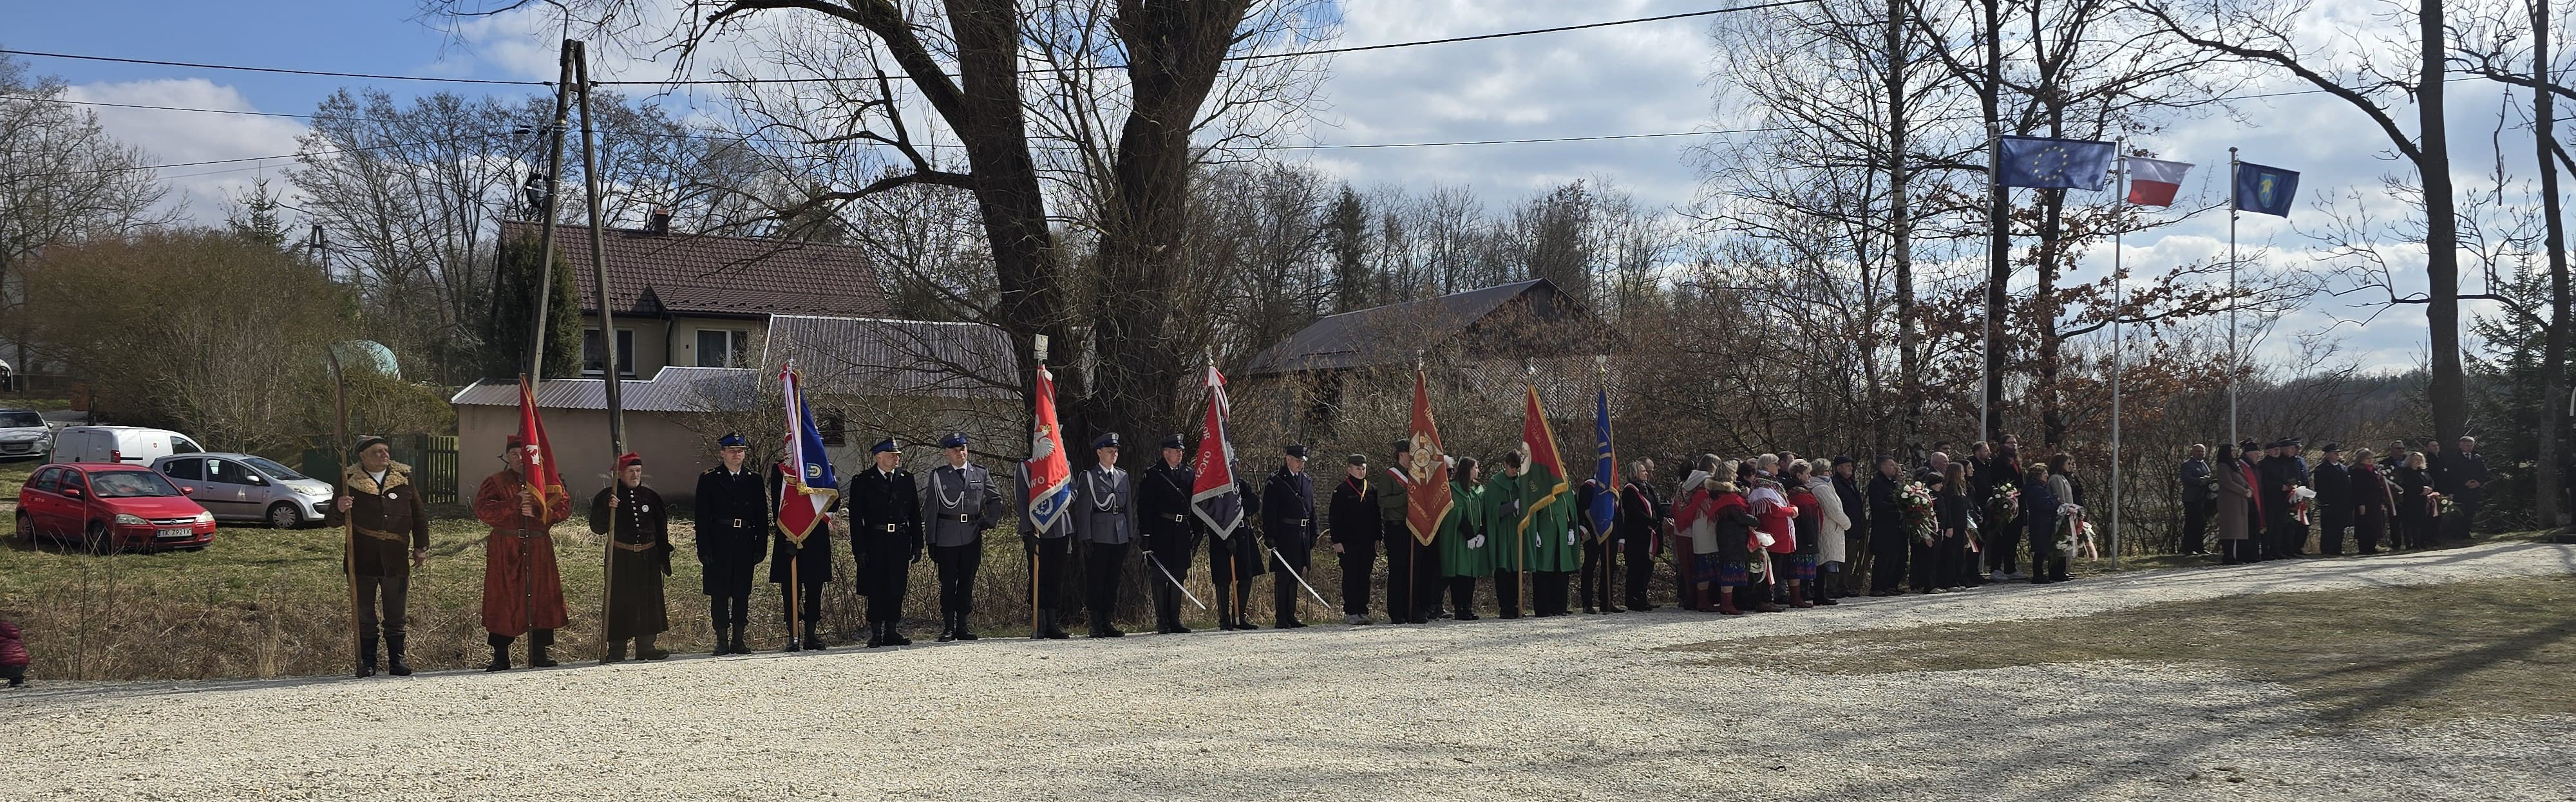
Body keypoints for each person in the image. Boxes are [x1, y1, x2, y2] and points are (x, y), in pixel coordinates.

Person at [329, 435, 430, 678]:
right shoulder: (348, 480)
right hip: (363, 556)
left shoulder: (403, 478)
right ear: (363, 457)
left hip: (396, 557)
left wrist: (421, 546)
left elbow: (418, 514)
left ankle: (397, 661)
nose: (385, 455)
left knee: (396, 614)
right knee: (365, 614)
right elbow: (331, 520)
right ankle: (369, 661)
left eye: (386, 451)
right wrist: (340, 508)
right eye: (377, 452)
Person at [474, 436, 572, 671]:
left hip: (538, 546)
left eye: (523, 454)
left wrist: (538, 511)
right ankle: (500, 656)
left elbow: (563, 508)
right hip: (506, 548)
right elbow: (483, 511)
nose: (519, 459)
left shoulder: (548, 481)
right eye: (514, 455)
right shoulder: (495, 482)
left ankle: (540, 652)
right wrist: (513, 504)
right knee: (503, 598)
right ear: (507, 457)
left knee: (541, 595)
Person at [590, 452, 674, 662]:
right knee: (619, 601)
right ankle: (617, 649)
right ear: (620, 473)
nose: (636, 475)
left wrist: (663, 557)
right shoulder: (607, 496)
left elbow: (661, 529)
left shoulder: (651, 497)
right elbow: (597, 528)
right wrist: (607, 509)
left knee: (647, 601)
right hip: (621, 556)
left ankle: (646, 647)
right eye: (631, 471)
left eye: (638, 471)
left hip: (647, 557)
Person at [921, 433, 1003, 642]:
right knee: (948, 582)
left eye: (963, 449)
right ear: (946, 453)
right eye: (955, 450)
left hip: (972, 533)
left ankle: (963, 626)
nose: (961, 453)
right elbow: (931, 509)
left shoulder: (980, 473)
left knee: (967, 581)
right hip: (946, 535)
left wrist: (990, 520)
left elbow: (995, 498)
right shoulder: (939, 476)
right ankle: (948, 626)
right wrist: (931, 540)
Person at [693, 433, 769, 655]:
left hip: (744, 541)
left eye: (741, 451)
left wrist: (760, 546)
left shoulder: (753, 479)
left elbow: (762, 517)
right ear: (722, 453)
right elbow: (701, 517)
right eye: (732, 451)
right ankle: (722, 640)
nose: (737, 455)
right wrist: (704, 548)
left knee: (741, 592)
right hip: (719, 541)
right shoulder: (709, 479)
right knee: (719, 593)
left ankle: (738, 639)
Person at [849, 439, 923, 647]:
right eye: (892, 455)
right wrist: (859, 549)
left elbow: (915, 513)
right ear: (879, 457)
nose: (896, 458)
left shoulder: (906, 479)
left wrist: (918, 543)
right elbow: (856, 519)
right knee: (876, 587)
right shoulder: (863, 480)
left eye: (898, 455)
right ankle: (876, 633)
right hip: (875, 539)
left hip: (899, 539)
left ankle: (892, 630)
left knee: (896, 586)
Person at [768, 458, 837, 652]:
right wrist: (787, 533)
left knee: (815, 588)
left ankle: (811, 634)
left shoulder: (825, 466)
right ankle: (793, 634)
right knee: (790, 589)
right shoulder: (781, 469)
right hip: (789, 535)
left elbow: (834, 500)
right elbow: (777, 504)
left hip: (816, 536)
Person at [1072, 433, 1136, 638]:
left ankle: (1108, 621)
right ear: (1099, 453)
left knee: (1113, 580)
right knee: (1097, 580)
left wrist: (1130, 534)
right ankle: (1095, 622)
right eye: (1110, 451)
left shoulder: (1122, 476)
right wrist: (1085, 536)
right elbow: (1084, 509)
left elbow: (1127, 508)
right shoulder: (1090, 477)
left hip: (1119, 534)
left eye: (1116, 451)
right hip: (1099, 534)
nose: (1114, 454)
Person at [1137, 434, 1202, 634]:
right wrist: (1146, 536)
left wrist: (1197, 532)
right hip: (1161, 530)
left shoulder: (1188, 474)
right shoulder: (1153, 474)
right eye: (1177, 451)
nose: (1181, 454)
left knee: (1178, 574)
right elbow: (1144, 507)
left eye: (1182, 451)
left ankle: (1174, 619)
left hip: (1182, 530)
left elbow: (1195, 504)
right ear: (1166, 453)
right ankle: (1162, 620)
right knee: (1160, 576)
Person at [1015, 454, 1077, 641]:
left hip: (1061, 526)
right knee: (1038, 576)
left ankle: (1052, 622)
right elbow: (1022, 499)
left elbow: (1073, 490)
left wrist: (1060, 499)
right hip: (1038, 528)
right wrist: (1028, 531)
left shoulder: (1064, 464)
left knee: (1055, 576)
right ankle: (1039, 622)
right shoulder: (1026, 467)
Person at [1374, 440, 1432, 624]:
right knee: (1399, 571)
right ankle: (1397, 611)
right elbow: (1383, 502)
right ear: (1402, 454)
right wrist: (1406, 497)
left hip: (1415, 528)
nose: (1413, 457)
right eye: (1410, 453)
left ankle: (1413, 609)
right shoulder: (1389, 476)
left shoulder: (1416, 476)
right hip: (1397, 528)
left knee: (1415, 571)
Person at [1262, 443, 1319, 629]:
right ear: (1288, 459)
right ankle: (1281, 617)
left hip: (1302, 534)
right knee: (1283, 576)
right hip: (1284, 534)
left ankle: (1291, 614)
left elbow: (1312, 509)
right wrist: (1270, 535)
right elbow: (1269, 511)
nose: (1300, 465)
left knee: (1296, 575)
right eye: (1297, 461)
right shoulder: (1277, 481)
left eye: (1302, 462)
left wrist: (1314, 531)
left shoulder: (1306, 481)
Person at [1205, 467, 1267, 633]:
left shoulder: (1241, 484)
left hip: (1242, 534)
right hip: (1221, 537)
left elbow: (1254, 503)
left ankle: (1239, 617)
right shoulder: (1213, 487)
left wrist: (1237, 508)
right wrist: (1225, 536)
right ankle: (1224, 619)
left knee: (1246, 576)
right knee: (1223, 579)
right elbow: (1209, 513)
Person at [1328, 454, 1381, 625]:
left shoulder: (1371, 489)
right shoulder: (1341, 491)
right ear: (1349, 469)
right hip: (1348, 542)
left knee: (1365, 576)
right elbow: (1334, 518)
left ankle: (1363, 610)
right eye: (1358, 468)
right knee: (1351, 576)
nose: (1361, 471)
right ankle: (1351, 611)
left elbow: (1376, 516)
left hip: (1367, 542)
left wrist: (1378, 538)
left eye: (1364, 468)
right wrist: (1336, 541)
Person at [1437, 456, 1492, 620]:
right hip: (1460, 537)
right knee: (1460, 572)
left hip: (1476, 537)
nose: (1478, 471)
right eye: (1476, 468)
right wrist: (1469, 534)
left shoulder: (1479, 489)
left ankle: (1468, 606)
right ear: (1468, 469)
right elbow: (1455, 512)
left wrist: (1482, 533)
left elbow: (1486, 512)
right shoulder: (1453, 488)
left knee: (1471, 573)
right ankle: (1460, 607)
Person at [1711, 471, 1769, 614]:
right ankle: (1726, 603)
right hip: (1732, 538)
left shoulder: (1725, 496)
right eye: (1733, 474)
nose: (1737, 476)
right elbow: (1740, 516)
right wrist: (1755, 521)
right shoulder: (1729, 498)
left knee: (1732, 569)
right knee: (1730, 571)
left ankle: (1730, 602)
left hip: (1732, 536)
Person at [1611, 459, 1665, 612]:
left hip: (1651, 534)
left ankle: (1642, 596)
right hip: (1637, 536)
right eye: (1643, 471)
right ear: (1635, 472)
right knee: (1637, 568)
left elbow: (1656, 506)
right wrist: (1650, 521)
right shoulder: (1630, 490)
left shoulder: (1648, 488)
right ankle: (1633, 599)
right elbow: (1634, 512)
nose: (1647, 473)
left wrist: (1661, 517)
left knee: (1647, 568)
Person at [1670, 457, 1721, 610]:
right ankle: (1702, 600)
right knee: (1700, 565)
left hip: (1682, 529)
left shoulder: (1684, 484)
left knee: (1687, 567)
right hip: (1699, 527)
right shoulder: (1707, 482)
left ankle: (1689, 599)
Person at [1485, 450, 1530, 619]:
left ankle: (1517, 605)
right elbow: (1492, 510)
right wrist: (1512, 506)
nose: (1514, 471)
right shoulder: (1495, 483)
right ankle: (1505, 607)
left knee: (1517, 569)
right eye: (1512, 467)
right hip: (1503, 531)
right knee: (1504, 569)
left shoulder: (1521, 482)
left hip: (1517, 530)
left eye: (1517, 468)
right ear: (1505, 464)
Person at [1807, 460, 1850, 604]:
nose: (1830, 474)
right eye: (1827, 471)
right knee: (1823, 562)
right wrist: (1847, 523)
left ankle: (1820, 593)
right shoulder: (1821, 488)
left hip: (1827, 527)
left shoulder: (1823, 486)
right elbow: (1833, 510)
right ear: (1819, 472)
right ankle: (1820, 594)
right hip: (1828, 528)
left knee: (1823, 561)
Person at [1867, 455, 1909, 595]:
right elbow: (1878, 504)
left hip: (1895, 526)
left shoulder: (1893, 483)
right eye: (1891, 465)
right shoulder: (1877, 483)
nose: (1895, 468)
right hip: (1883, 526)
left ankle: (1890, 585)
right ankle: (1877, 587)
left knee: (1895, 557)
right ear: (1883, 467)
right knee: (1883, 557)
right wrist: (1898, 507)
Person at [1931, 463, 1973, 592]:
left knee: (1959, 555)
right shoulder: (1949, 489)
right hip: (1953, 526)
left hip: (1961, 526)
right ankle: (1948, 581)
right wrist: (1949, 526)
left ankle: (1956, 578)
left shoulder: (1960, 489)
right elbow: (1948, 509)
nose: (1964, 474)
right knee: (1951, 554)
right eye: (1961, 472)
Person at [2021, 463, 2061, 584]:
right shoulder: (2036, 489)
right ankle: (2038, 575)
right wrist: (2056, 503)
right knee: (2040, 549)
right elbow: (2044, 504)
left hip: (2043, 521)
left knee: (2043, 548)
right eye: (2044, 474)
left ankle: (2042, 574)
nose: (2047, 476)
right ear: (2037, 475)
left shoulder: (2039, 488)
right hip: (2040, 522)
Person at [2215, 444, 2255, 564]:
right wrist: (2244, 491)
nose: (2235, 452)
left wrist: (2249, 489)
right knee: (2229, 529)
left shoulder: (2235, 465)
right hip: (2229, 503)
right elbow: (2228, 483)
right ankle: (2228, 556)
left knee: (2238, 529)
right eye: (2232, 451)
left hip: (2240, 501)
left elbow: (2242, 480)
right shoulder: (2223, 466)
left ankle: (2236, 556)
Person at [2312, 443, 2353, 556]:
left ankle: (2337, 548)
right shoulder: (2322, 469)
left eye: (2338, 452)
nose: (2338, 455)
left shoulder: (2343, 468)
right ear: (2328, 455)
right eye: (2335, 453)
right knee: (2329, 527)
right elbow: (2321, 488)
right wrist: (2324, 503)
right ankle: (2327, 549)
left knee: (2340, 527)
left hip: (2342, 503)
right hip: (2330, 503)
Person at [2351, 447, 2391, 554]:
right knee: (2364, 524)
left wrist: (2382, 502)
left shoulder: (2374, 470)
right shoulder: (2357, 471)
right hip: (2364, 501)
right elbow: (2357, 489)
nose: (2370, 460)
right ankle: (2364, 547)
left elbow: (2380, 487)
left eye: (2371, 458)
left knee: (2375, 524)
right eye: (2367, 458)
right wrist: (2361, 503)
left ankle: (2372, 546)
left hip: (2375, 501)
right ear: (2360, 459)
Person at [2447, 436, 2488, 539]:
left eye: (2471, 446)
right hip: (2460, 489)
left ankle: (2467, 532)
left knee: (2471, 511)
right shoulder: (2454, 458)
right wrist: (2464, 482)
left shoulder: (2477, 457)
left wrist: (2479, 483)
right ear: (2461, 445)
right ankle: (2457, 533)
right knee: (2459, 512)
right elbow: (2452, 474)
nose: (2470, 448)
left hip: (2474, 489)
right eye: (2467, 446)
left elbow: (2484, 472)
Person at [2178, 444, 2214, 555]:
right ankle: (2188, 548)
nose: (2200, 453)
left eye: (2202, 451)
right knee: (2191, 523)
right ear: (2192, 452)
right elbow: (2187, 478)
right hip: (2192, 499)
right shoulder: (2188, 465)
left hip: (2203, 499)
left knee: (2201, 524)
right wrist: (2200, 480)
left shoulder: (2204, 465)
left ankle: (2200, 547)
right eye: (2198, 451)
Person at [2398, 451, 2438, 549]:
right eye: (2416, 459)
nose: (2418, 462)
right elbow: (2406, 485)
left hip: (2422, 500)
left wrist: (2429, 488)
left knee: (2421, 521)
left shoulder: (2423, 471)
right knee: (2410, 522)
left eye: (2420, 460)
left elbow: (2430, 481)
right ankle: (2410, 543)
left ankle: (2420, 542)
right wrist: (2421, 489)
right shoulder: (2405, 472)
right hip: (2410, 500)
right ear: (2410, 460)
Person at [0, 619, 24, 688]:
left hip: (4, 668)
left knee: (7, 659)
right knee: (12, 658)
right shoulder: (14, 634)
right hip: (22, 667)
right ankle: (18, 681)